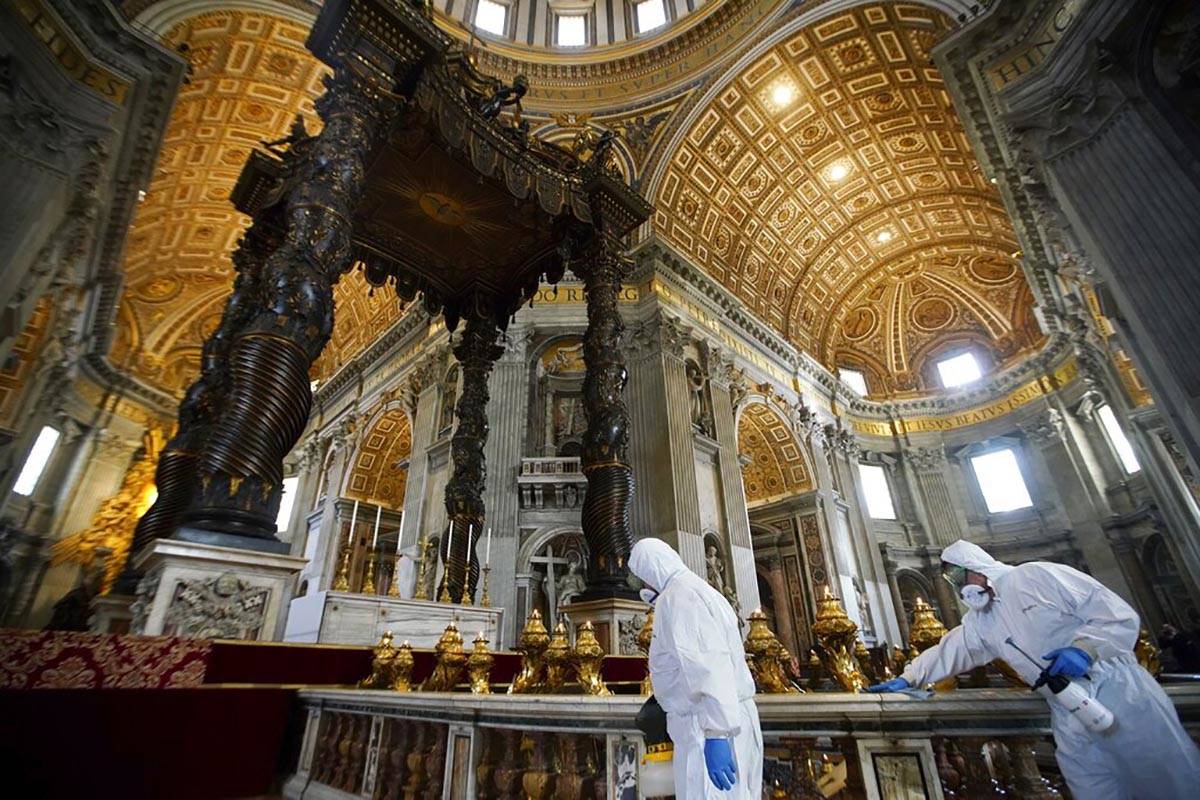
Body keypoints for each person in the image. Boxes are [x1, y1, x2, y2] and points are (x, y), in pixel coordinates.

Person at [867, 539, 1200, 799]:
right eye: (949, 579)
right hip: (1065, 707)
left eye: (956, 576)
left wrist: (1085, 649)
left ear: (975, 566)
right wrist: (909, 677)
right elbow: (950, 649)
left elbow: (1117, 614)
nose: (955, 586)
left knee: (1169, 779)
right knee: (1093, 787)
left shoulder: (1034, 575)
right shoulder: (982, 619)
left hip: (1115, 688)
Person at [628, 538, 762, 798]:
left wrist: (717, 734)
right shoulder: (697, 590)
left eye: (642, 577)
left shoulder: (679, 597)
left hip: (707, 726)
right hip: (719, 720)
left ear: (651, 569)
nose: (643, 585)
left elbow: (708, 665)